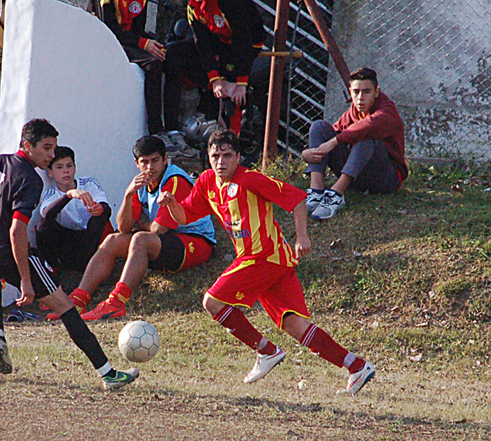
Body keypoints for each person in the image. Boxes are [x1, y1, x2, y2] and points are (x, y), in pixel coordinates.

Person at [158, 129, 376, 394]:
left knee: (211, 301)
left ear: (238, 157)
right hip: (270, 262)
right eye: (216, 156)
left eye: (227, 155)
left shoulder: (251, 179)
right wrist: (170, 203)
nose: (221, 161)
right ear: (208, 157)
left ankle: (267, 351)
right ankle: (356, 366)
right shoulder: (206, 182)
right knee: (296, 326)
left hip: (264, 257)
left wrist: (302, 236)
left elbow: (296, 199)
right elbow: (184, 217)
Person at [0, 118, 138, 389]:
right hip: (2, 251)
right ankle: (108, 374)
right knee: (64, 305)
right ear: (27, 146)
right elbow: (17, 232)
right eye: (47, 148)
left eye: (55, 149)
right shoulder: (29, 178)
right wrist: (26, 281)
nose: (51, 155)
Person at [64, 135, 216, 322]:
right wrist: (128, 195)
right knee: (112, 240)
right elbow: (124, 227)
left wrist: (142, 225)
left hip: (196, 241)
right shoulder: (140, 183)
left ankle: (116, 301)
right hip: (167, 242)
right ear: (137, 163)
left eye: (155, 161)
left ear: (165, 160)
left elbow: (159, 229)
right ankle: (78, 299)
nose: (150, 167)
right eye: (145, 162)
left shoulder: (175, 180)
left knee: (140, 239)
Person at [302, 67, 408, 220]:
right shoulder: (354, 110)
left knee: (366, 136)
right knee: (319, 127)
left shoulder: (387, 110)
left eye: (366, 92)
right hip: (359, 176)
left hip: (385, 179)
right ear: (350, 92)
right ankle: (316, 191)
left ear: (376, 92)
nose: (360, 98)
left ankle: (336, 195)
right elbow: (335, 132)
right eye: (356, 92)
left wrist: (333, 142)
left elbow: (367, 126)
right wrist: (306, 153)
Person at [163, 0, 265, 135]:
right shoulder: (193, 7)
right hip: (219, 39)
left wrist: (240, 81)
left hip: (247, 43)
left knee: (232, 94)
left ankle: (232, 141)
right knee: (172, 53)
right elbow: (202, 42)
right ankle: (173, 132)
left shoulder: (229, 4)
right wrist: (214, 79)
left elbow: (243, 42)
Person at [36, 146, 113, 272]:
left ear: (75, 168)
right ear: (50, 172)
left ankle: (92, 260)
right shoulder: (50, 194)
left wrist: (100, 208)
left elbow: (106, 208)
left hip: (90, 237)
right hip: (67, 241)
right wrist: (69, 195)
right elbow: (47, 214)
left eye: (69, 166)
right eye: (59, 167)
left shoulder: (89, 183)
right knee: (43, 225)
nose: (66, 171)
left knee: (99, 217)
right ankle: (53, 267)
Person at [101, 0, 165, 135]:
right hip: (113, 43)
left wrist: (153, 44)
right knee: (154, 64)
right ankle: (156, 128)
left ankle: (174, 128)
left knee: (167, 56)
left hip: (132, 41)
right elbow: (110, 30)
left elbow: (138, 29)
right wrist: (144, 43)